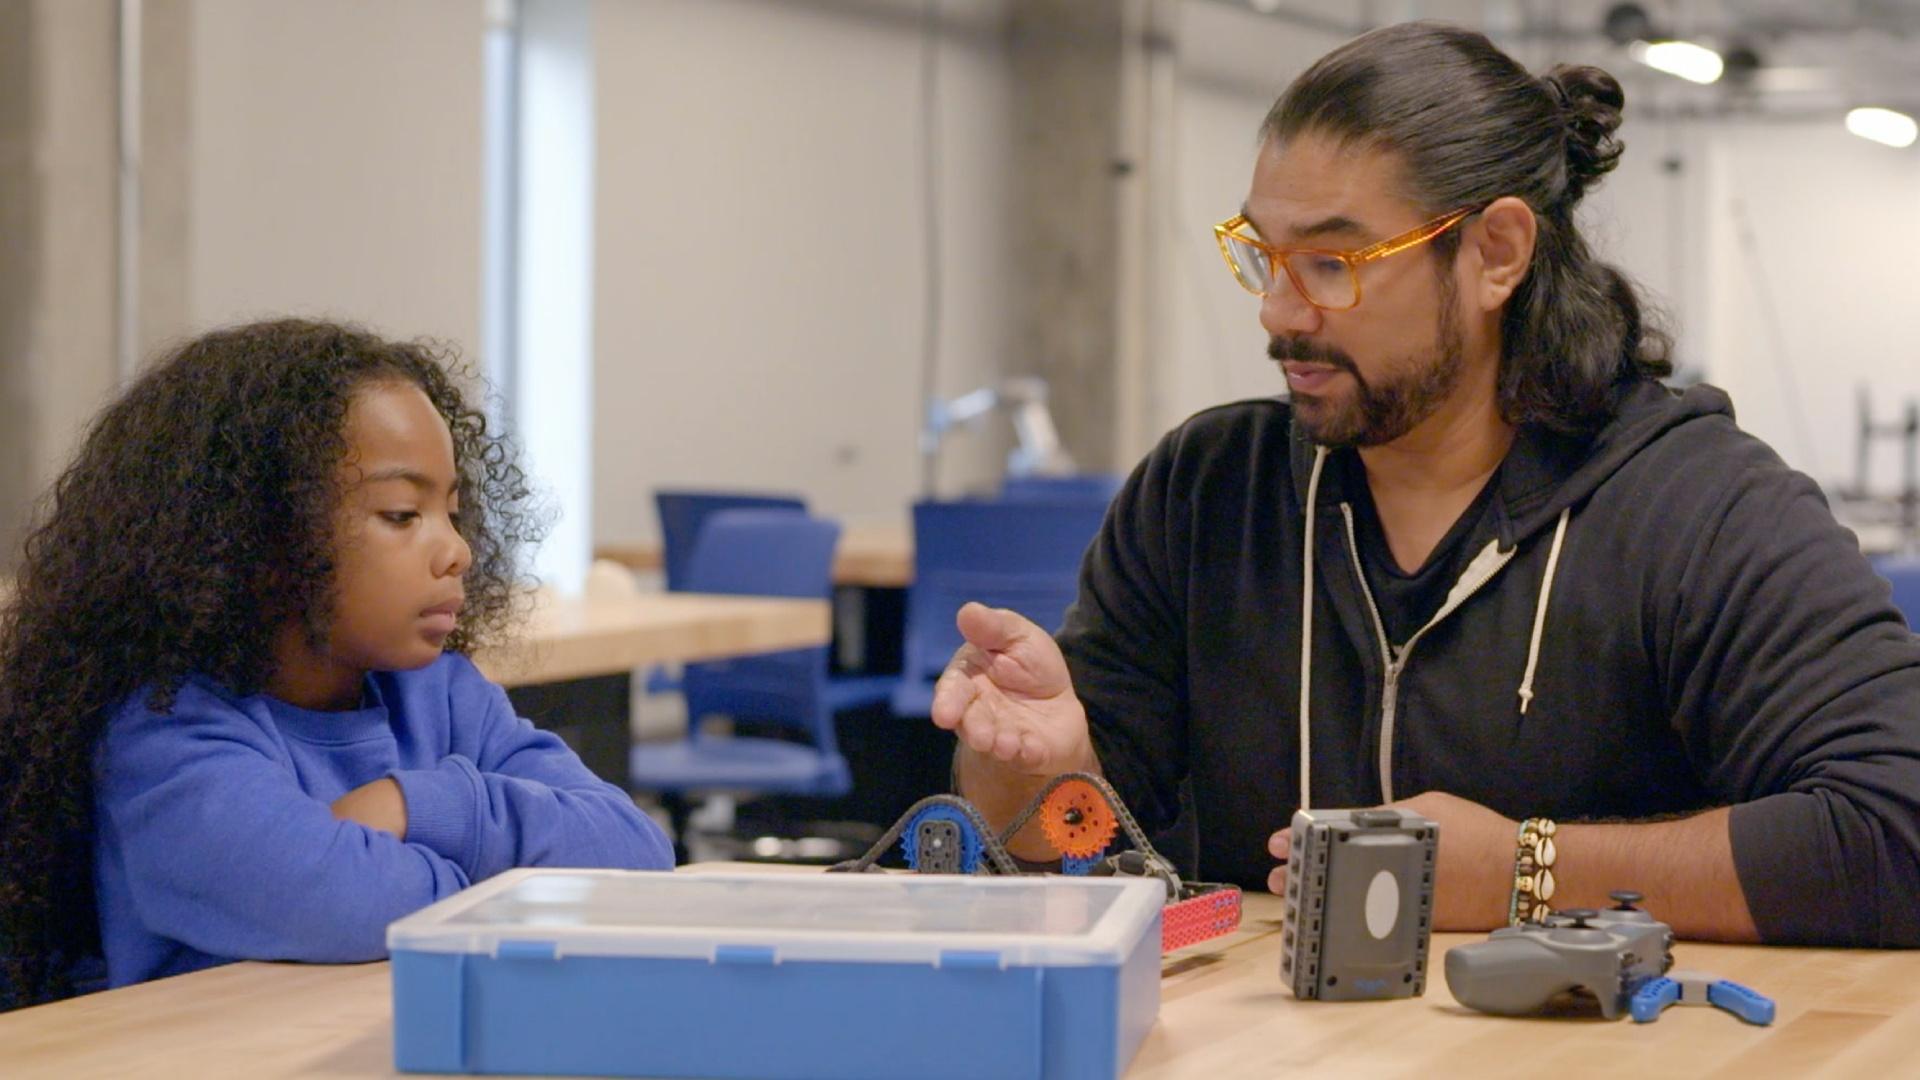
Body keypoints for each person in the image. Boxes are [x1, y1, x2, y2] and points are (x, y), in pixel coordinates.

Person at [930, 22, 1920, 947]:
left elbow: (1896, 828)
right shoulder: (1209, 495)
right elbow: (1083, 851)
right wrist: (1035, 773)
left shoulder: (1696, 508)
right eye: (1265, 255)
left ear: (1496, 253)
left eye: (1332, 262)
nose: (1280, 312)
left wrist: (1530, 873)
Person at [0, 319, 674, 1009]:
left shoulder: (440, 696)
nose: (458, 551)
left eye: (452, 512)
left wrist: (420, 806)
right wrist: (516, 882)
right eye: (402, 514)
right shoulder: (165, 733)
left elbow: (635, 852)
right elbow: (343, 902)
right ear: (262, 538)